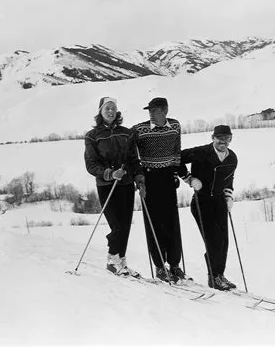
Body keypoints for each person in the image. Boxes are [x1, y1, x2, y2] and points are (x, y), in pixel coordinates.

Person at [84, 96, 146, 277]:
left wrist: (140, 180)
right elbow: (91, 164)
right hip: (106, 185)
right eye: (106, 108)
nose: (110, 111)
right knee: (116, 225)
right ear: (100, 112)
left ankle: (122, 261)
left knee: (125, 225)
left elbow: (134, 160)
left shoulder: (127, 133)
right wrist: (110, 174)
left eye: (113, 108)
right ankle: (112, 260)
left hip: (126, 184)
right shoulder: (92, 136)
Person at [132, 97, 189, 283]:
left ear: (164, 111)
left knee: (172, 222)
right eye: (149, 110)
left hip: (167, 178)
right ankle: (159, 265)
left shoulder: (175, 126)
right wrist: (138, 178)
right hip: (149, 179)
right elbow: (131, 155)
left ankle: (174, 264)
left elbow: (177, 152)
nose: (150, 114)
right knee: (153, 222)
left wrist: (175, 173)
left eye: (154, 110)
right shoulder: (139, 130)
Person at [181, 125, 238, 291]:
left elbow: (229, 180)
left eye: (227, 138)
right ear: (213, 138)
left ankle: (219, 275)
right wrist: (189, 179)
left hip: (219, 202)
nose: (223, 141)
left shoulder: (232, 158)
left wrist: (228, 196)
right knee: (214, 240)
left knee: (224, 242)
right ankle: (213, 277)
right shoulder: (202, 152)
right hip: (201, 201)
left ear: (230, 139)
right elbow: (177, 159)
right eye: (220, 138)